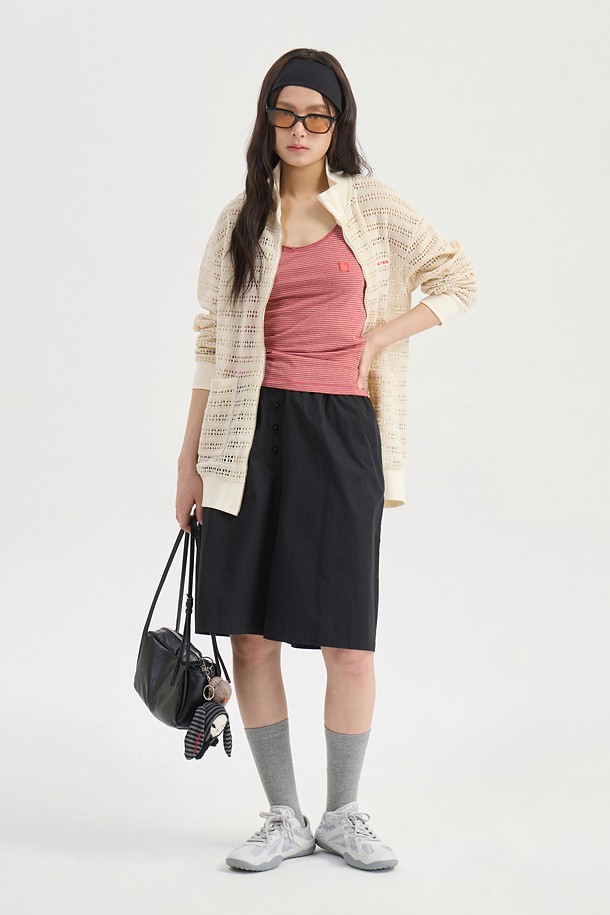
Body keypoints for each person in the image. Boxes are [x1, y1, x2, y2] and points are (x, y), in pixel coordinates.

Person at [176, 48, 477, 873]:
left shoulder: (371, 207)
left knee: (349, 639)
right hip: (244, 437)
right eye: (286, 113)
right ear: (267, 119)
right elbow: (210, 341)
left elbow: (458, 278)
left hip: (342, 432)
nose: (300, 129)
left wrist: (379, 337)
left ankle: (343, 813)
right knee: (252, 637)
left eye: (317, 115)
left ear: (338, 124)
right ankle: (283, 814)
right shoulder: (241, 218)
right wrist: (188, 463)